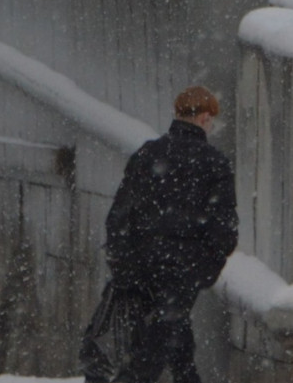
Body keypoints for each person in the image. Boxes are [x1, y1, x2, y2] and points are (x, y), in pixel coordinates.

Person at [82, 85, 239, 383]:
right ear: (205, 118)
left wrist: (123, 264)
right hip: (181, 274)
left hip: (138, 268)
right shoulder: (214, 163)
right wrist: (203, 270)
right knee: (160, 347)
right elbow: (224, 230)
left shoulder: (147, 154)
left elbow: (118, 216)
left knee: (167, 343)